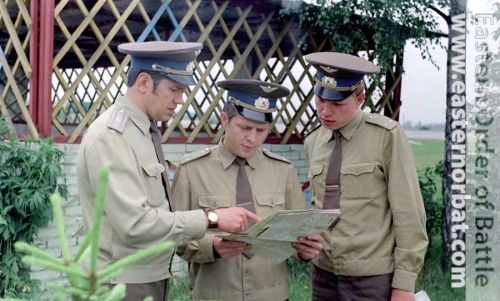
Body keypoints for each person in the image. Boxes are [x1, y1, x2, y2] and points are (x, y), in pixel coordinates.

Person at [76, 41, 260, 301]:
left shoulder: (141, 130)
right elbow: (135, 224)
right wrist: (212, 219)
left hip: (144, 277)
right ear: (143, 82)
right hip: (119, 283)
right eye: (174, 89)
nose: (180, 100)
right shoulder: (112, 137)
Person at [172, 79, 324, 301]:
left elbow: (299, 233)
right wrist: (211, 247)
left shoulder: (283, 171)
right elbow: (176, 236)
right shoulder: (191, 171)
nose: (252, 138)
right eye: (244, 128)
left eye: (261, 130)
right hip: (215, 295)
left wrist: (305, 251)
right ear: (225, 119)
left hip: (272, 295)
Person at [302, 52, 428, 301]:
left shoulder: (386, 136)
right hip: (323, 275)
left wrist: (404, 284)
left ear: (360, 98)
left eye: (338, 104)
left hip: (372, 279)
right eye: (320, 100)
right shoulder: (313, 141)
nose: (325, 111)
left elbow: (409, 212)